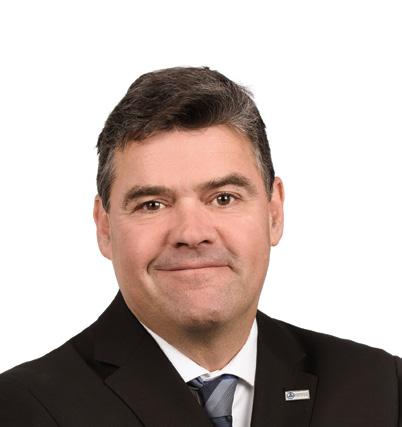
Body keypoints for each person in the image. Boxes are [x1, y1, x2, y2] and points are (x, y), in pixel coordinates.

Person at [0, 66, 400, 427]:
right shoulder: (22, 408)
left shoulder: (382, 389)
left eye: (224, 198)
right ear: (105, 228)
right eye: (152, 204)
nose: (192, 233)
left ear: (274, 213)